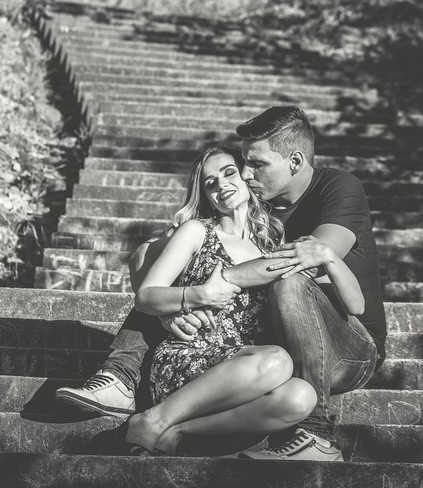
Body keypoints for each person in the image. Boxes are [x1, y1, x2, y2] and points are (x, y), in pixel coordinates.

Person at [56, 106, 386, 461]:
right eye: (242, 164)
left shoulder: (337, 188)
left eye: (255, 165)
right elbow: (144, 255)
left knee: (287, 283)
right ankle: (122, 375)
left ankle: (317, 435)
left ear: (294, 161)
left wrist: (222, 281)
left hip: (348, 347)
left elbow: (303, 264)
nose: (245, 174)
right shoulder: (260, 211)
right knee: (292, 386)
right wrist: (175, 307)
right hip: (265, 353)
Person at [120, 145, 365, 455]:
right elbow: (146, 296)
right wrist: (198, 295)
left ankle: (178, 431)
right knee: (277, 361)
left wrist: (329, 256)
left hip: (247, 377)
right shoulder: (197, 232)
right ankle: (154, 418)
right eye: (210, 183)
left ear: (247, 177)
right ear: (205, 195)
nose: (221, 186)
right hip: (189, 360)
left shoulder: (274, 247)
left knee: (302, 396)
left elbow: (356, 306)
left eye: (228, 173)